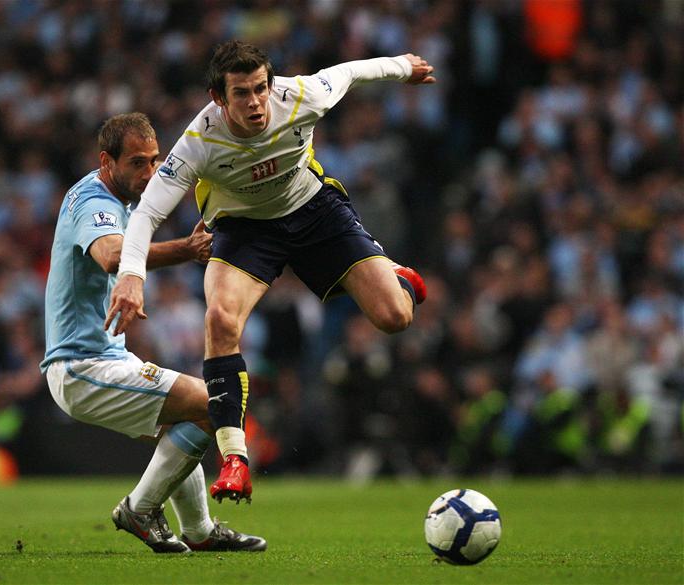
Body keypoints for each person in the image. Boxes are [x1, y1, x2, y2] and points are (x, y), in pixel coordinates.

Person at [106, 41, 435, 504]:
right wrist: (132, 275)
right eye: (241, 93)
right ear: (218, 98)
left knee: (395, 318)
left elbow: (350, 72)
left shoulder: (300, 96)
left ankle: (394, 275)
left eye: (261, 88)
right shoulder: (198, 141)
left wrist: (404, 67)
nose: (256, 102)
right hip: (245, 230)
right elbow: (145, 215)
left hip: (313, 209)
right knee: (220, 319)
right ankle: (235, 460)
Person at [41, 112, 266, 553]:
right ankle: (139, 509)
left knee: (184, 424)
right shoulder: (94, 202)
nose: (149, 173)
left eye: (154, 161)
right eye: (137, 163)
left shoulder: (118, 200)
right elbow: (111, 256)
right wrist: (184, 249)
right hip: (80, 366)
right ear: (107, 161)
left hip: (104, 359)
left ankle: (200, 532)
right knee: (210, 402)